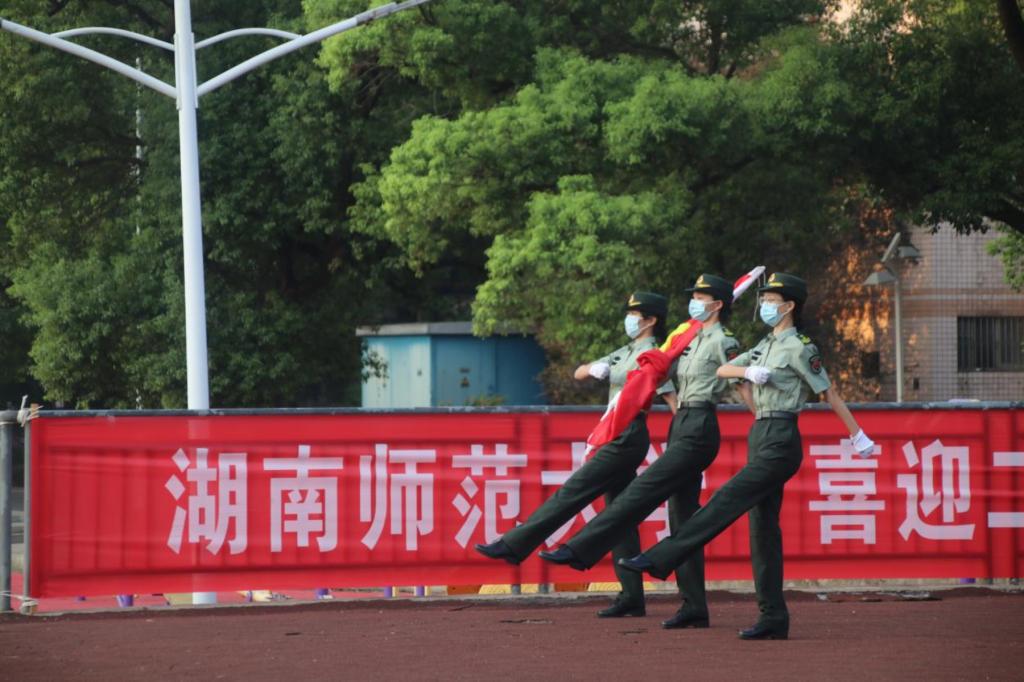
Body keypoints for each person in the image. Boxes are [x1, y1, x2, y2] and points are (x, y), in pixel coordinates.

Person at [617, 273, 875, 640]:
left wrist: (857, 434)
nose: (765, 305)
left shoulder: (800, 347)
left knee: (727, 498)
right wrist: (748, 371)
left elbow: (828, 392)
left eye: (771, 300)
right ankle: (773, 616)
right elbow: (724, 369)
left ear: (789, 306)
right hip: (761, 431)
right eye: (764, 298)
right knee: (763, 531)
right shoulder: (764, 344)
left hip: (782, 437)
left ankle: (662, 557)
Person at [540, 274, 742, 630]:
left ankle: (585, 549)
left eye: (700, 296)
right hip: (680, 426)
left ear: (717, 303)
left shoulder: (722, 341)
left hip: (695, 424)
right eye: (693, 296)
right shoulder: (685, 341)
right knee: (681, 517)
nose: (694, 302)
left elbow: (728, 386)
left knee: (641, 495)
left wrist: (761, 421)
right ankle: (692, 605)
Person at [476, 291, 677, 618]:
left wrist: (681, 439)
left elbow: (671, 400)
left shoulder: (653, 355)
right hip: (613, 433)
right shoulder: (625, 351)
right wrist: (595, 368)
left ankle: (514, 544)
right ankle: (631, 597)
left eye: (635, 315)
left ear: (651, 320)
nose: (629, 320)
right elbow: (579, 373)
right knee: (620, 517)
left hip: (628, 435)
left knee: (574, 491)